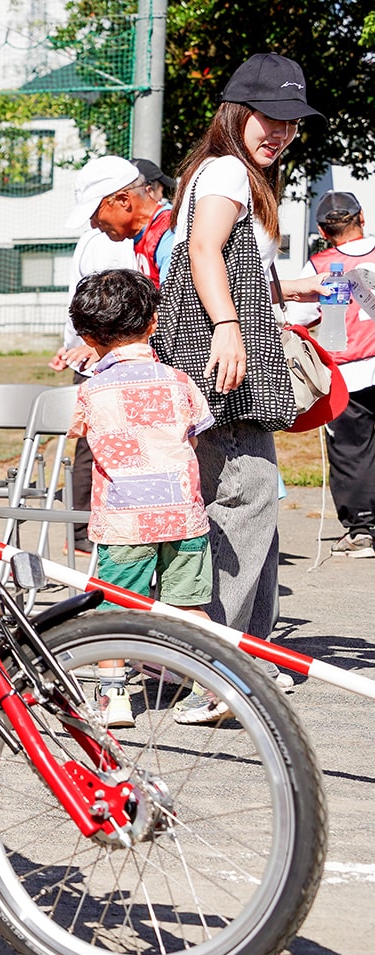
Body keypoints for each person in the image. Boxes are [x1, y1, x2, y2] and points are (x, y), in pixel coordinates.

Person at [152, 53, 330, 655]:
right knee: (244, 501)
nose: (280, 133)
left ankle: (243, 656)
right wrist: (229, 326)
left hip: (223, 362)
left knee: (245, 506)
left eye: (291, 123)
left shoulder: (219, 172)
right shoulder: (227, 172)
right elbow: (202, 251)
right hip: (224, 366)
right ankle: (221, 666)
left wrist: (292, 288)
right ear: (236, 112)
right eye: (268, 118)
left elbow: (230, 264)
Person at [67, 270, 219, 726]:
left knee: (114, 604)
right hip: (182, 514)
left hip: (124, 518)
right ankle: (218, 686)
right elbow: (193, 438)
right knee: (190, 604)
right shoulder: (179, 381)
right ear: (154, 323)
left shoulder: (90, 390)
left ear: (88, 336)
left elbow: (82, 437)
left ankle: (113, 698)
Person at [50, 156, 147, 555]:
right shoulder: (102, 240)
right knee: (95, 445)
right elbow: (93, 303)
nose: (93, 223)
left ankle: (111, 534)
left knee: (114, 447)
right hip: (99, 355)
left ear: (122, 200)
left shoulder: (142, 237)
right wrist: (86, 344)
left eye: (95, 213)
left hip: (115, 355)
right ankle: (87, 535)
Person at [285, 191, 375, 557]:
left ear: (323, 230)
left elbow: (298, 318)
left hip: (352, 370)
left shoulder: (320, 264)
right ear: (362, 218)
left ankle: (362, 528)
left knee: (352, 450)